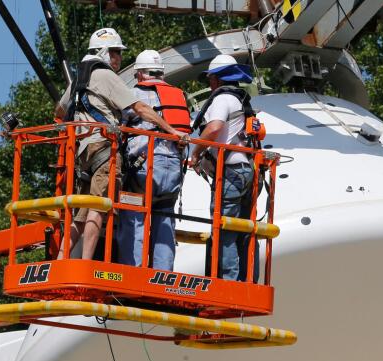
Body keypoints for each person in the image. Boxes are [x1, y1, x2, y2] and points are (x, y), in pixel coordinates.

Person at [54, 28, 187, 260]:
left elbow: (59, 111)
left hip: (82, 153)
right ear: (104, 52)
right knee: (98, 208)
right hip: (104, 151)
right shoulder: (106, 76)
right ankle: (86, 263)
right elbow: (140, 109)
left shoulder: (80, 78)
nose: (119, 58)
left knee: (80, 213)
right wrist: (171, 130)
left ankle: (61, 259)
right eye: (116, 52)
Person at [117, 49, 191, 270]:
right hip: (173, 169)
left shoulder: (135, 95)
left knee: (133, 216)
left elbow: (117, 123)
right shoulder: (179, 95)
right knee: (164, 219)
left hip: (145, 165)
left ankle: (133, 271)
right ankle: (163, 273)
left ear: (139, 74)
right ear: (161, 73)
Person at [188, 54, 260, 281]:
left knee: (224, 229)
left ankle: (227, 280)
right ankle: (245, 278)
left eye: (210, 79)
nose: (209, 84)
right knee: (242, 229)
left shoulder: (222, 99)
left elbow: (214, 128)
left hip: (230, 172)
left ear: (218, 79)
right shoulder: (241, 101)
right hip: (247, 172)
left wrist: (195, 152)